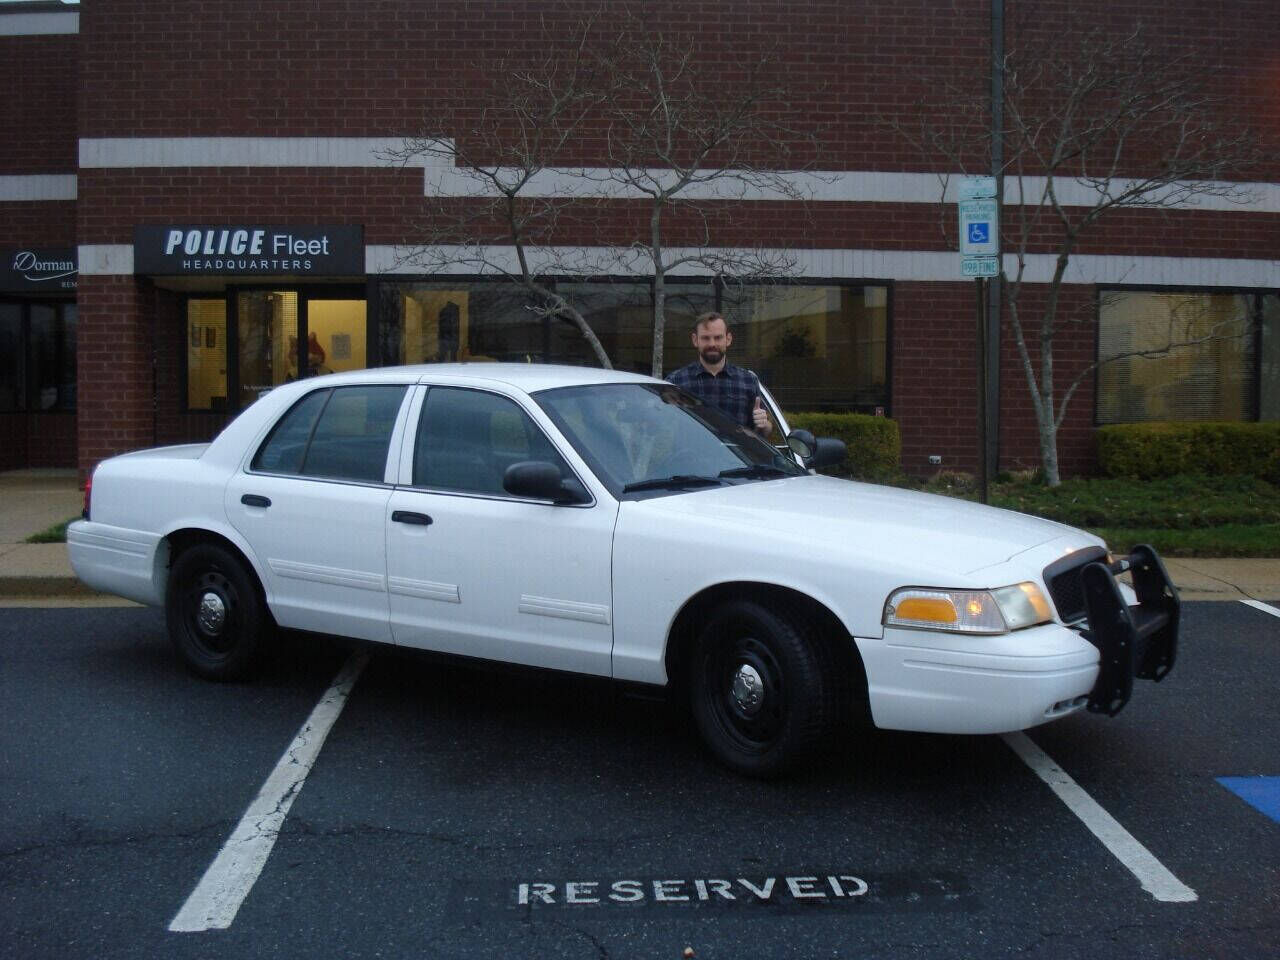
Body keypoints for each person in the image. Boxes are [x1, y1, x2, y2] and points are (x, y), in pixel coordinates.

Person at [666, 311, 771, 436]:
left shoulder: (748, 381)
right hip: (691, 449)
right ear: (695, 340)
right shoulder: (676, 382)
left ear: (728, 339)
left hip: (735, 450)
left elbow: (765, 430)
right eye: (706, 338)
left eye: (718, 338)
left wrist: (763, 424)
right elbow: (662, 424)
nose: (712, 344)